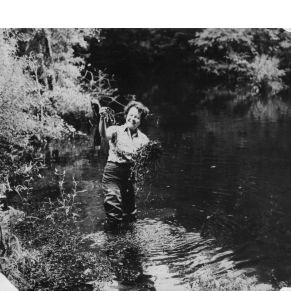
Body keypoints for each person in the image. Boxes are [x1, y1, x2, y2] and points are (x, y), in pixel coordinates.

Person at [99, 101, 150, 230]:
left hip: (129, 177)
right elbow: (104, 135)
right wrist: (102, 119)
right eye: (131, 115)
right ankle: (111, 240)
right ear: (126, 115)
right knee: (113, 208)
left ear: (141, 121)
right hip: (112, 174)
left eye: (137, 117)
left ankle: (130, 242)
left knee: (130, 214)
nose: (133, 119)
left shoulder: (144, 139)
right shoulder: (115, 130)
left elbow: (146, 159)